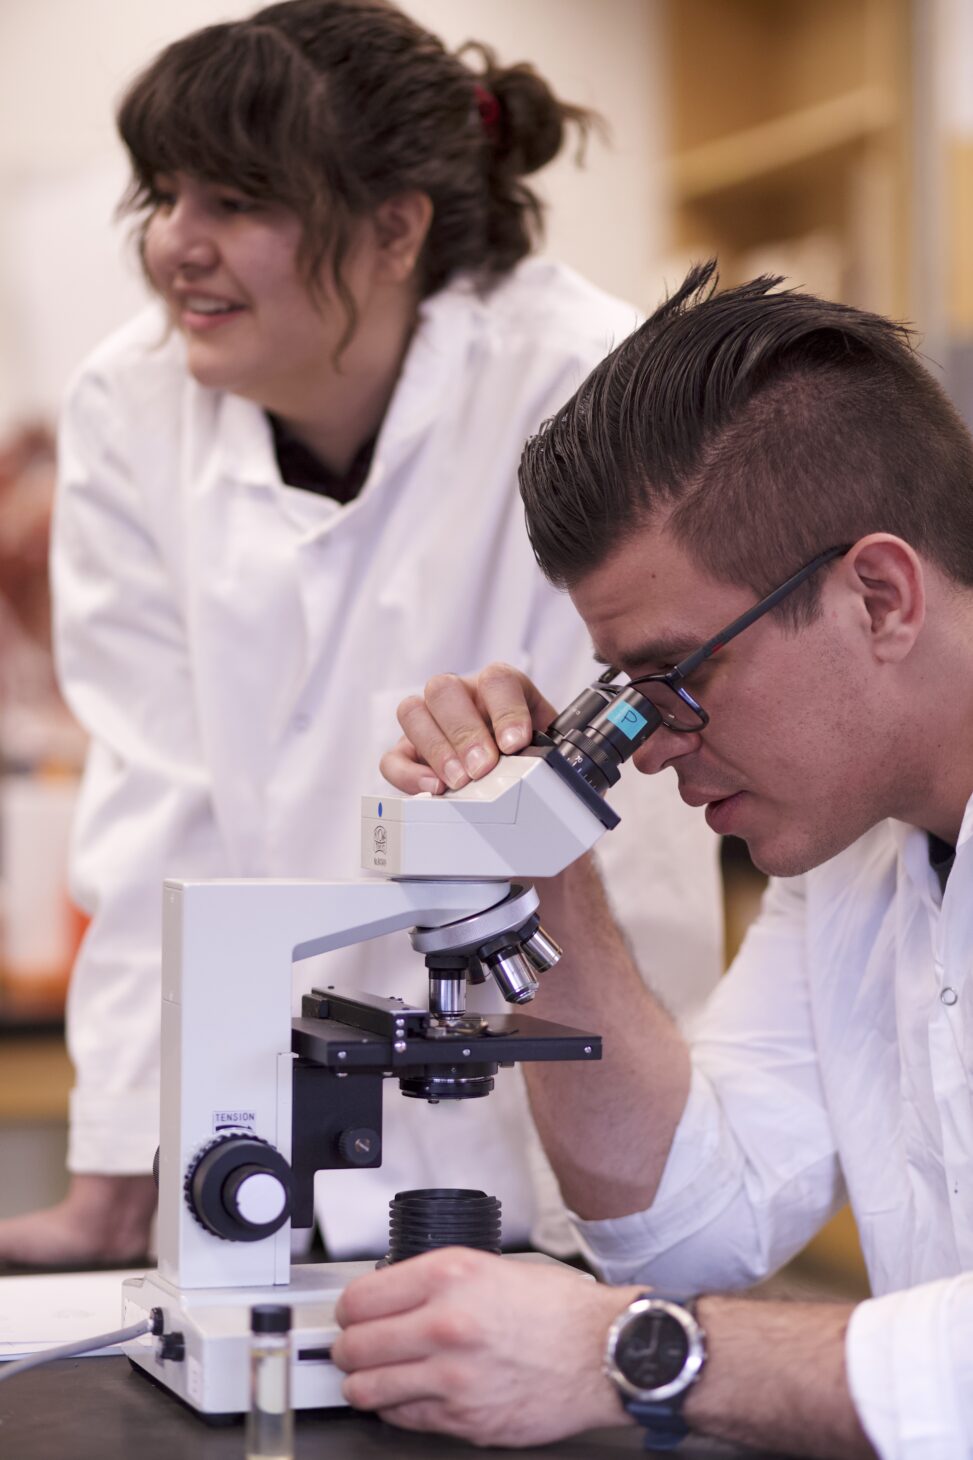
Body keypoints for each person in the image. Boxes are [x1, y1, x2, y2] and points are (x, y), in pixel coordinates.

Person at [0, 1, 721, 1267]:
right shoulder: (128, 403)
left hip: (554, 1112)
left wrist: (619, 1222)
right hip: (266, 1120)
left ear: (396, 228)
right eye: (165, 194)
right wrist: (118, 1168)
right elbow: (155, 801)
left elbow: (629, 827)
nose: (177, 246)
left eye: (237, 201)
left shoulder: (593, 379)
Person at [332, 262, 973, 1458]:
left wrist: (620, 1347)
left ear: (879, 596)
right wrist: (536, 846)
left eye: (675, 678)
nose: (654, 747)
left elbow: (655, 1303)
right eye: (621, 700)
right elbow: (687, 1228)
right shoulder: (851, 860)